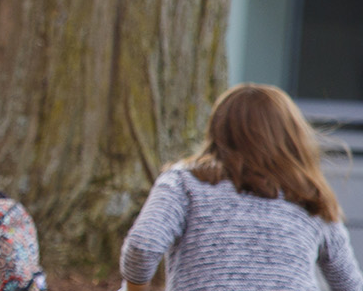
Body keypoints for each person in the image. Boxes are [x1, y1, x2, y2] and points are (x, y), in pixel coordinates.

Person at [120, 83, 362, 291]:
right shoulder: (311, 196)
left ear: (217, 131)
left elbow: (144, 245)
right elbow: (349, 284)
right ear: (291, 137)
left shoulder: (184, 182)